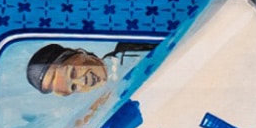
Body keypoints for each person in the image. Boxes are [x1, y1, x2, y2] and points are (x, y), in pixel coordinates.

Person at [25, 40, 157, 95]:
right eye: (73, 87)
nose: (82, 82)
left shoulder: (132, 47)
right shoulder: (112, 95)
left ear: (80, 54)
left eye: (73, 73)